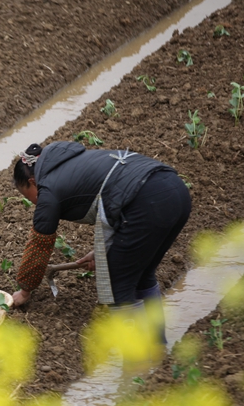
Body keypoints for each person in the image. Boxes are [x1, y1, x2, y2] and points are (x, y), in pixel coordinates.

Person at [10, 141, 191, 343]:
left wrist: (25, 290)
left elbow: (39, 245)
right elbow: (117, 196)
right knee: (142, 274)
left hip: (147, 202)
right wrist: (103, 250)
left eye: (29, 196)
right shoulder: (71, 162)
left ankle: (136, 359)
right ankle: (158, 348)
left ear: (33, 181)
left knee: (119, 284)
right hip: (175, 190)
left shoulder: (48, 189)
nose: (34, 202)